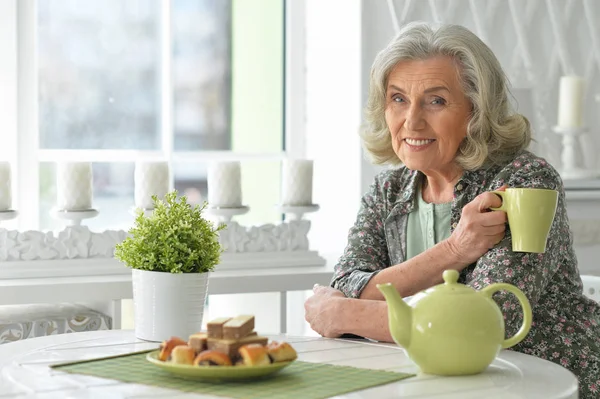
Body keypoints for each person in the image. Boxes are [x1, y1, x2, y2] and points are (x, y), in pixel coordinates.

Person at [304, 22, 600, 397]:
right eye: (398, 99)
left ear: (476, 111)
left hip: (541, 384)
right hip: (436, 383)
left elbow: (489, 321)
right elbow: (348, 284)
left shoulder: (524, 182)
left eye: (436, 101)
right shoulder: (388, 190)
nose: (412, 121)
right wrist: (454, 250)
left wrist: (343, 315)